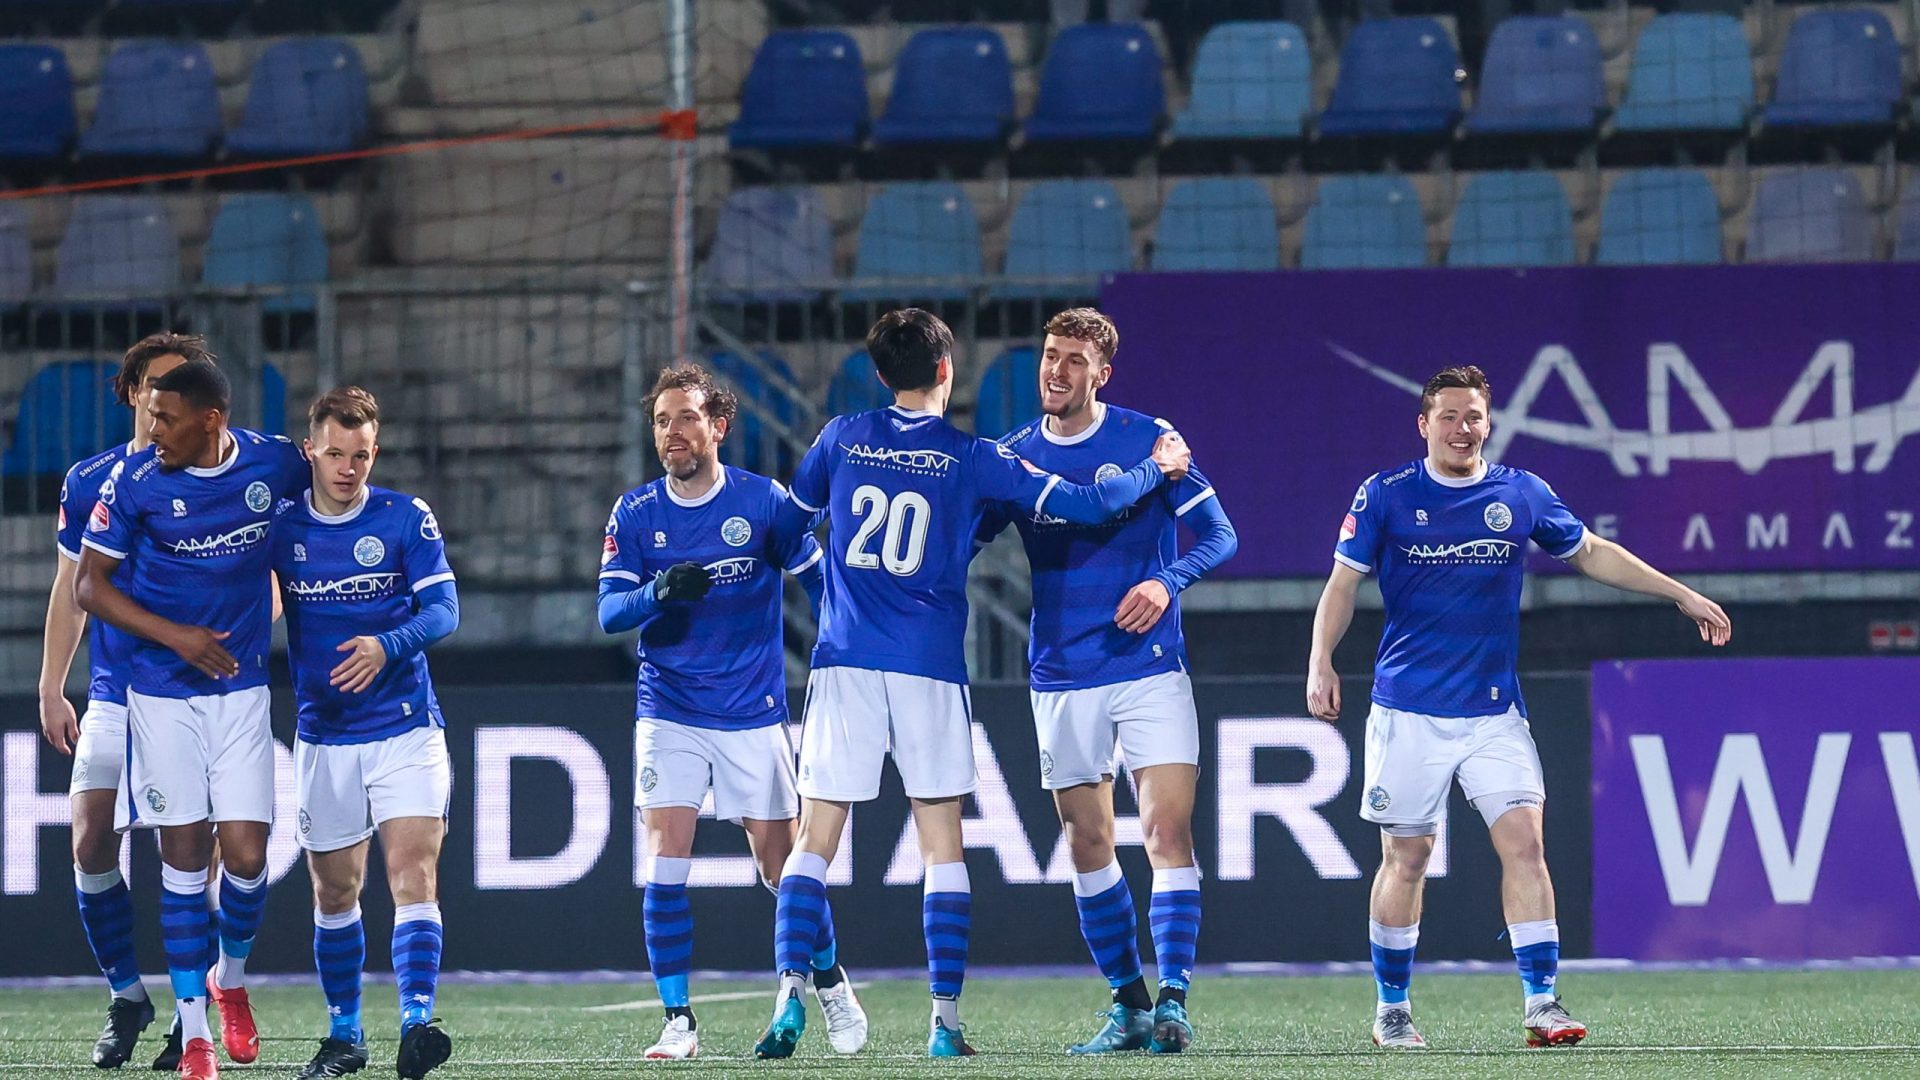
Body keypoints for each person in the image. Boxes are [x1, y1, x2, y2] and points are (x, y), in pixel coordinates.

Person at [755, 308, 1191, 1059]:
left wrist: (827, 589)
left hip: (844, 659)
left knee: (812, 842)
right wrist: (1159, 468)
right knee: (941, 847)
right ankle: (945, 1026)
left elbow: (786, 527)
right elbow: (1089, 504)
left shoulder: (839, 438)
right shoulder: (974, 456)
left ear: (880, 374)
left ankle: (790, 1002)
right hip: (927, 664)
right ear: (947, 371)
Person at [1306, 365, 1733, 1050]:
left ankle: (1542, 1003)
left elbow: (1591, 552)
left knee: (1527, 845)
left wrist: (1678, 592)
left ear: (1488, 422)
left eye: (1472, 416)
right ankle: (1392, 1009)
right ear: (1424, 425)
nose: (1461, 428)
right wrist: (1320, 659)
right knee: (1407, 858)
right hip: (1408, 710)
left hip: (1494, 713)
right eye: (1447, 416)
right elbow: (1342, 584)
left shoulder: (1520, 492)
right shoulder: (1385, 495)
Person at [976, 308, 1237, 1054]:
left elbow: (1221, 533)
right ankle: (1128, 1006)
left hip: (1150, 667)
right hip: (1062, 672)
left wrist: (1168, 581)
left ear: (1102, 372)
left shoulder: (1148, 439)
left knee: (1165, 830)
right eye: (1049, 357)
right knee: (1087, 839)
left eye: (1072, 360)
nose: (1055, 371)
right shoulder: (1015, 456)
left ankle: (1176, 1001)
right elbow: (964, 540)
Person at [597, 364, 868, 1061]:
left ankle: (832, 981)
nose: (673, 432)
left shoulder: (764, 501)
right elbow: (608, 613)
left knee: (781, 869)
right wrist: (657, 591)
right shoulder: (635, 514)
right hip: (670, 708)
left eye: (686, 417)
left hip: (752, 711)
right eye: (662, 420)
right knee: (664, 861)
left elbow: (818, 581)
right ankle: (678, 1021)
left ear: (718, 426)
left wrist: (847, 653)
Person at [77, 359, 309, 1080]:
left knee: (245, 857)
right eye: (149, 415)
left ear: (211, 421)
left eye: (164, 417)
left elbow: (330, 501)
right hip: (159, 695)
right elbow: (89, 585)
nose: (151, 431)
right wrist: (176, 636)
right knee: (181, 858)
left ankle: (229, 977)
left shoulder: (274, 464)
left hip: (241, 694)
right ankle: (195, 1036)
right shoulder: (135, 483)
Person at [41, 333, 220, 1069]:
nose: (163, 401)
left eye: (179, 386)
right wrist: (52, 684)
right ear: (132, 394)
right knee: (88, 840)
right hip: (115, 690)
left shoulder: (225, 470)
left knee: (192, 860)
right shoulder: (90, 481)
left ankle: (195, 1008)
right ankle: (126, 994)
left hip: (195, 694)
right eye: (155, 386)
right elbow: (71, 591)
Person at [272, 387, 458, 1080]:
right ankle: (346, 1035)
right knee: (334, 894)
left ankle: (416, 1022)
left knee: (414, 876)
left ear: (374, 453)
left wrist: (389, 644)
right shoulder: (283, 530)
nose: (349, 468)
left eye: (362, 456)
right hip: (324, 736)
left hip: (406, 728)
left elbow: (444, 610)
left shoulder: (405, 517)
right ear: (310, 452)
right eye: (335, 454)